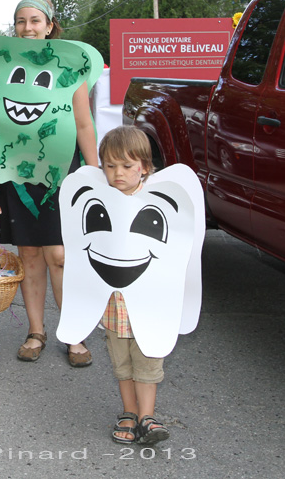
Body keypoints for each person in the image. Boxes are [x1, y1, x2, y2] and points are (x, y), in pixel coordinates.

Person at [0, 0, 98, 366]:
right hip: (13, 175)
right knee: (30, 255)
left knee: (61, 256)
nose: (28, 28)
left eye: (35, 21)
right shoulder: (1, 70)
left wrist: (94, 173)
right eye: (21, 21)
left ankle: (73, 332)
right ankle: (36, 331)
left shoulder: (68, 68)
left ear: (50, 25)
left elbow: (83, 124)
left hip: (60, 173)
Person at [96, 126, 170, 445]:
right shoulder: (98, 204)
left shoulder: (160, 203)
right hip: (113, 303)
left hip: (149, 303)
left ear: (145, 167)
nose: (118, 173)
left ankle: (146, 417)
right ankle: (128, 411)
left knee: (148, 360)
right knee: (122, 363)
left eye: (127, 166)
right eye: (110, 166)